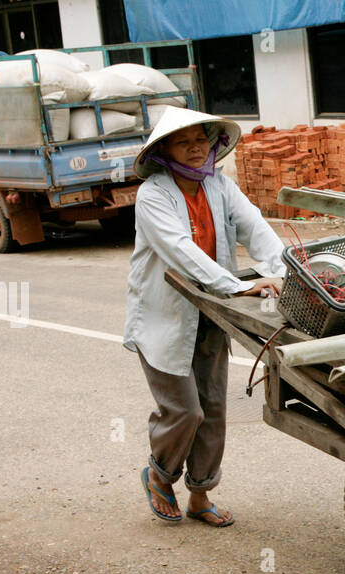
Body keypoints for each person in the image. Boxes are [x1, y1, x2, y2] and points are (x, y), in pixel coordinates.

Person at [124, 107, 285, 525]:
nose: (196, 149)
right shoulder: (153, 195)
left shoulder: (220, 185)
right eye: (184, 141)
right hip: (165, 318)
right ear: (164, 150)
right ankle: (159, 475)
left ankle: (200, 495)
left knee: (213, 409)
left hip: (211, 314)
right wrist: (238, 285)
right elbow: (180, 250)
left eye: (201, 139)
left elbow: (255, 227)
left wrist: (284, 271)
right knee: (185, 411)